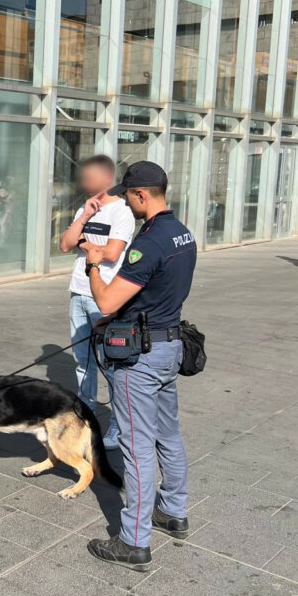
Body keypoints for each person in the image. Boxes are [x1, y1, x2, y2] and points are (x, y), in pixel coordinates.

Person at [80, 161, 197, 572]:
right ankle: (174, 512)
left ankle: (133, 540)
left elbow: (108, 300)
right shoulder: (182, 233)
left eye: (128, 195)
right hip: (169, 346)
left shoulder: (151, 241)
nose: (126, 201)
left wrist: (94, 263)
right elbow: (154, 293)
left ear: (142, 195)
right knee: (169, 433)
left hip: (140, 359)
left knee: (136, 445)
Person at [58, 155, 134, 450]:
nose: (84, 182)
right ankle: (85, 419)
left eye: (90, 177)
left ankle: (118, 424)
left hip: (104, 296)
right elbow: (65, 244)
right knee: (83, 362)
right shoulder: (85, 207)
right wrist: (83, 218)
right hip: (78, 291)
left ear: (107, 178)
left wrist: (86, 244)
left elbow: (113, 254)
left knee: (112, 364)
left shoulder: (122, 212)